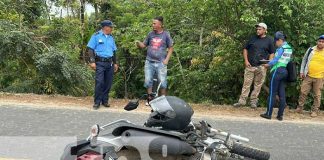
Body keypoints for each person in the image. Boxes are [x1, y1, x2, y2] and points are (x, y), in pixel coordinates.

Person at [234, 23, 275, 108]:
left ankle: (253, 102)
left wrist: (269, 63)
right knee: (246, 84)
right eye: (257, 29)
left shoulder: (269, 40)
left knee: (258, 85)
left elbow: (272, 53)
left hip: (262, 67)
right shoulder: (252, 38)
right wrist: (246, 61)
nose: (258, 30)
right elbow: (245, 49)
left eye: (260, 29)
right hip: (250, 66)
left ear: (264, 30)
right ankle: (242, 101)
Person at [136, 16, 174, 104]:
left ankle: (163, 101)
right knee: (148, 81)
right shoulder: (150, 34)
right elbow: (143, 45)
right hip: (149, 61)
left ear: (160, 25)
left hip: (161, 62)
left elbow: (171, 48)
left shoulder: (166, 35)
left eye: (154, 23)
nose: (152, 25)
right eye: (152, 23)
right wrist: (138, 43)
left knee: (162, 82)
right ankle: (150, 100)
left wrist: (166, 60)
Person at [260, 31, 293, 121]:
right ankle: (280, 115)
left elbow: (276, 60)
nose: (275, 43)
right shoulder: (289, 48)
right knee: (282, 94)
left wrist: (267, 64)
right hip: (285, 71)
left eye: (276, 41)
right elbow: (285, 60)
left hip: (277, 71)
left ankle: (268, 114)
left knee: (272, 93)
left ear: (279, 40)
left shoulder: (281, 48)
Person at [87, 20, 118, 110]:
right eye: (110, 27)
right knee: (99, 82)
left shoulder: (111, 37)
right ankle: (97, 102)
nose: (112, 28)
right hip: (100, 62)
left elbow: (114, 51)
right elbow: (90, 49)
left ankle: (105, 101)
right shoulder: (96, 36)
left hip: (110, 63)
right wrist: (92, 61)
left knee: (108, 83)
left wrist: (115, 63)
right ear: (105, 27)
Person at [296, 35, 324, 117]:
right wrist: (301, 71)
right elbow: (304, 60)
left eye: (323, 42)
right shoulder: (311, 49)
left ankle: (315, 111)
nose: (321, 43)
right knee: (303, 91)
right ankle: (300, 107)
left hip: (319, 77)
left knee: (317, 95)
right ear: (317, 42)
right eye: (320, 41)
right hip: (308, 75)